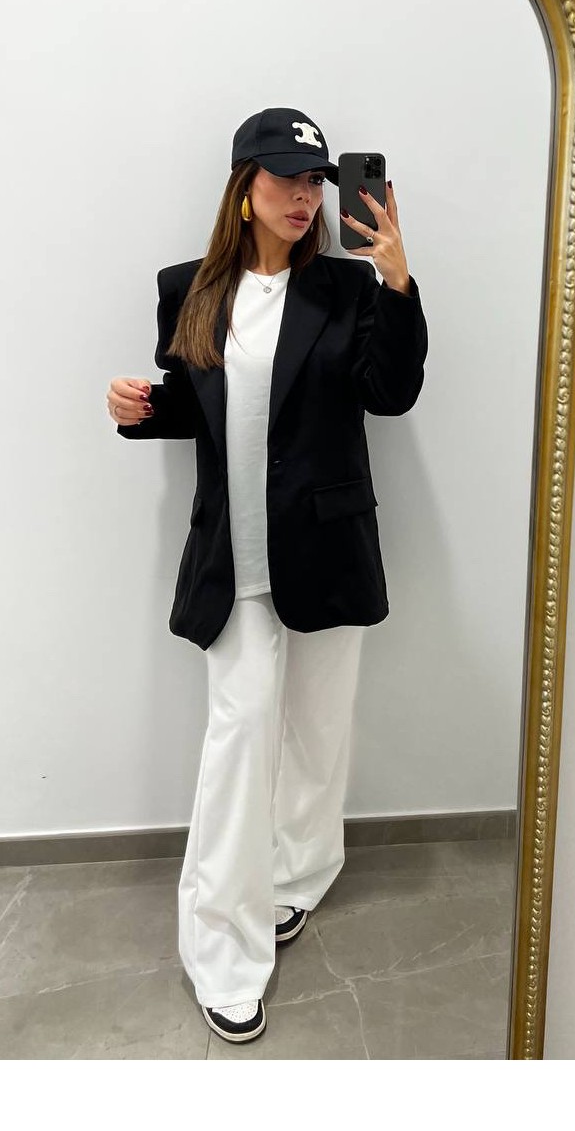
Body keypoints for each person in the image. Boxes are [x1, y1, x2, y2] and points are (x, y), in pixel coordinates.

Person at [107, 107, 427, 1044]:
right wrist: (137, 406)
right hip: (234, 559)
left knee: (319, 738)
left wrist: (398, 284)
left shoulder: (348, 288)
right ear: (244, 187)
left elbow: (390, 394)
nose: (303, 196)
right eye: (284, 177)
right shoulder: (189, 289)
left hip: (326, 546)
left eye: (314, 181)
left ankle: (296, 878)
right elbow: (197, 405)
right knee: (239, 747)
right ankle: (220, 948)